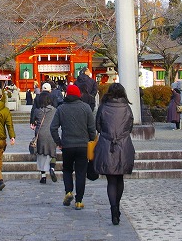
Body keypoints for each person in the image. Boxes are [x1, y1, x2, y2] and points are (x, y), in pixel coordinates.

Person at [92, 83, 136, 225]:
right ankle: (117, 206)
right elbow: (130, 127)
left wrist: (108, 134)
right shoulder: (127, 108)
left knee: (111, 180)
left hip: (106, 144)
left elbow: (98, 126)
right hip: (123, 144)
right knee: (120, 178)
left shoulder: (103, 107)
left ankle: (113, 209)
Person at [49, 83, 96, 210]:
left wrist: (59, 142)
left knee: (67, 170)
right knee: (81, 173)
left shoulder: (61, 108)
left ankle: (68, 191)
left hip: (67, 145)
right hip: (83, 145)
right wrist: (92, 140)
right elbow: (92, 129)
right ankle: (79, 201)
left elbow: (53, 128)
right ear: (78, 95)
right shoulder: (86, 108)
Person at [30, 89, 58, 183]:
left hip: (40, 134)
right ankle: (52, 168)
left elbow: (33, 121)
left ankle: (43, 176)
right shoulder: (55, 111)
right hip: (51, 134)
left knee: (41, 154)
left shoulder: (37, 111)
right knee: (52, 153)